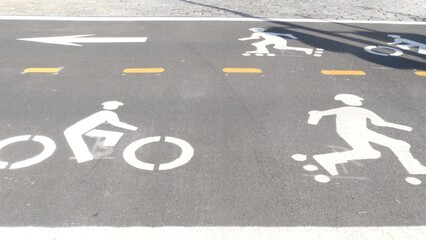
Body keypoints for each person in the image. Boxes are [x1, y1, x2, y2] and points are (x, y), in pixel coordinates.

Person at [308, 94, 426, 176]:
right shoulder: (343, 109)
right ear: (348, 101)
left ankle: (413, 167)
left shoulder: (364, 111)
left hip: (362, 132)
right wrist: (313, 120)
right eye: (357, 100)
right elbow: (319, 114)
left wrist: (402, 127)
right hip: (351, 132)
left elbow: (380, 123)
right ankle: (327, 159)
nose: (360, 101)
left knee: (400, 145)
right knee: (373, 152)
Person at [64, 101, 137, 163]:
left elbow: (116, 123)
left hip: (80, 128)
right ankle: (84, 157)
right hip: (79, 128)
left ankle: (84, 157)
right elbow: (116, 123)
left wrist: (133, 128)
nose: (116, 107)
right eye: (115, 106)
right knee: (72, 134)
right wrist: (134, 128)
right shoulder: (109, 113)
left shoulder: (106, 113)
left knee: (71, 133)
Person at [239, 28, 313, 56]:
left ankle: (306, 49)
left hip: (277, 40)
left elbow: (252, 38)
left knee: (281, 47)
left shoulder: (258, 33)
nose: (253, 31)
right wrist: (292, 36)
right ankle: (263, 50)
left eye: (253, 30)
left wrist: (244, 39)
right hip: (274, 40)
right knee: (257, 43)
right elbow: (286, 34)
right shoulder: (261, 33)